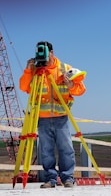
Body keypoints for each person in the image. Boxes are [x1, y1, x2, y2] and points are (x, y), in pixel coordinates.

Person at [19, 41, 86, 188]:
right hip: (42, 118)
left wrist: (71, 86)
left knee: (66, 149)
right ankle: (51, 179)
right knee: (46, 151)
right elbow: (24, 87)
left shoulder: (64, 68)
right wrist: (28, 70)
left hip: (61, 117)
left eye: (44, 52)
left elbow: (81, 90)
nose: (42, 55)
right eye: (39, 52)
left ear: (52, 52)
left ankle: (68, 178)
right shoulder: (35, 71)